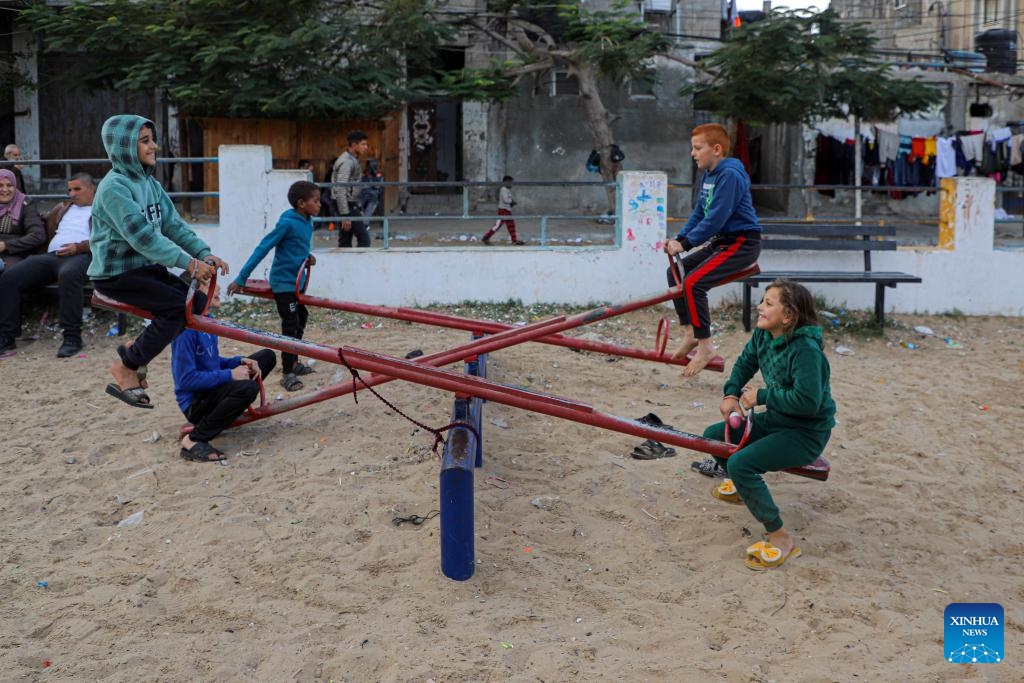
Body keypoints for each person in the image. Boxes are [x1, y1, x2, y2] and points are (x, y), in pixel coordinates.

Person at [88, 114, 229, 409]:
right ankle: (127, 367)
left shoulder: (148, 183)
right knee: (177, 308)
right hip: (118, 274)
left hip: (143, 269)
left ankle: (133, 349)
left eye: (152, 139)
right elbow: (143, 238)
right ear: (124, 148)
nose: (154, 146)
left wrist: (203, 252)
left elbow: (173, 225)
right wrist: (190, 265)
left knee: (198, 305)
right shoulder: (114, 188)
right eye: (145, 141)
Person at [702, 279, 835, 571]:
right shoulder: (764, 335)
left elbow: (807, 402)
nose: (760, 307)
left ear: (788, 316)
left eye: (768, 303)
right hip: (777, 419)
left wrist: (761, 395)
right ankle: (745, 489)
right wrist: (731, 394)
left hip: (805, 432)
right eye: (762, 301)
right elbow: (745, 363)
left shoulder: (805, 351)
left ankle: (780, 536)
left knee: (740, 464)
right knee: (713, 438)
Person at [664, 123, 761, 377]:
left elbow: (716, 218)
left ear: (716, 149)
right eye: (692, 148)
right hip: (722, 241)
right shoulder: (708, 174)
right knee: (675, 271)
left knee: (694, 283)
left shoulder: (729, 175)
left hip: (742, 242)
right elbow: (700, 212)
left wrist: (685, 244)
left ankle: (706, 347)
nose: (693, 153)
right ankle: (690, 332)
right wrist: (680, 238)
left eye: (698, 148)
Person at [227, 180, 319, 392]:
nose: (319, 205)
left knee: (301, 317)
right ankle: (287, 373)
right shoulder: (287, 223)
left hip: (297, 283)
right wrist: (242, 277)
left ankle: (293, 360)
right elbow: (263, 247)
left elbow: (297, 247)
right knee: (290, 323)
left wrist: (308, 257)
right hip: (284, 283)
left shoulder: (308, 221)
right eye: (316, 201)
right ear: (301, 203)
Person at [172, 281, 276, 463]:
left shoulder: (207, 321)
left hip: (212, 392)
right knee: (248, 388)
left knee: (266, 356)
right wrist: (230, 374)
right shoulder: (185, 331)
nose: (217, 288)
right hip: (196, 404)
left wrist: (239, 361)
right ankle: (194, 440)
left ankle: (226, 411)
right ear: (192, 294)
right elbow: (185, 379)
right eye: (208, 285)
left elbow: (210, 362)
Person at [0, 173, 96, 357]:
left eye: (77, 189)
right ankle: (7, 336)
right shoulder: (63, 208)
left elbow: (110, 239)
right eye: (69, 190)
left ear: (92, 189)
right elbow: (41, 224)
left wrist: (78, 247)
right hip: (52, 256)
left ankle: (72, 337)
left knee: (68, 274)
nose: (72, 194)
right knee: (10, 276)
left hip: (83, 255)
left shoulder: (104, 209)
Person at [0, 168, 44, 275]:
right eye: (0, 185)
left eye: (9, 185)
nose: (5, 190)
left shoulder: (25, 204)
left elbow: (38, 235)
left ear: (15, 186)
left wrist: (5, 245)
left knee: (8, 275)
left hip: (14, 254)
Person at [331, 130, 371, 248]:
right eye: (363, 144)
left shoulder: (353, 159)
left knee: (345, 240)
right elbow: (341, 188)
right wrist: (345, 214)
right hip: (345, 204)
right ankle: (358, 264)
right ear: (354, 145)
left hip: (349, 203)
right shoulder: (347, 162)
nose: (366, 147)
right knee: (364, 239)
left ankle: (345, 265)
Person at [481, 175, 523, 245]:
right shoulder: (503, 189)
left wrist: (512, 202)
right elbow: (506, 200)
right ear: (505, 182)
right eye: (510, 183)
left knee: (511, 225)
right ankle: (486, 237)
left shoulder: (507, 190)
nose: (511, 184)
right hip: (503, 211)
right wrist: (512, 202)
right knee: (497, 225)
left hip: (507, 210)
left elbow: (508, 199)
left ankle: (514, 240)